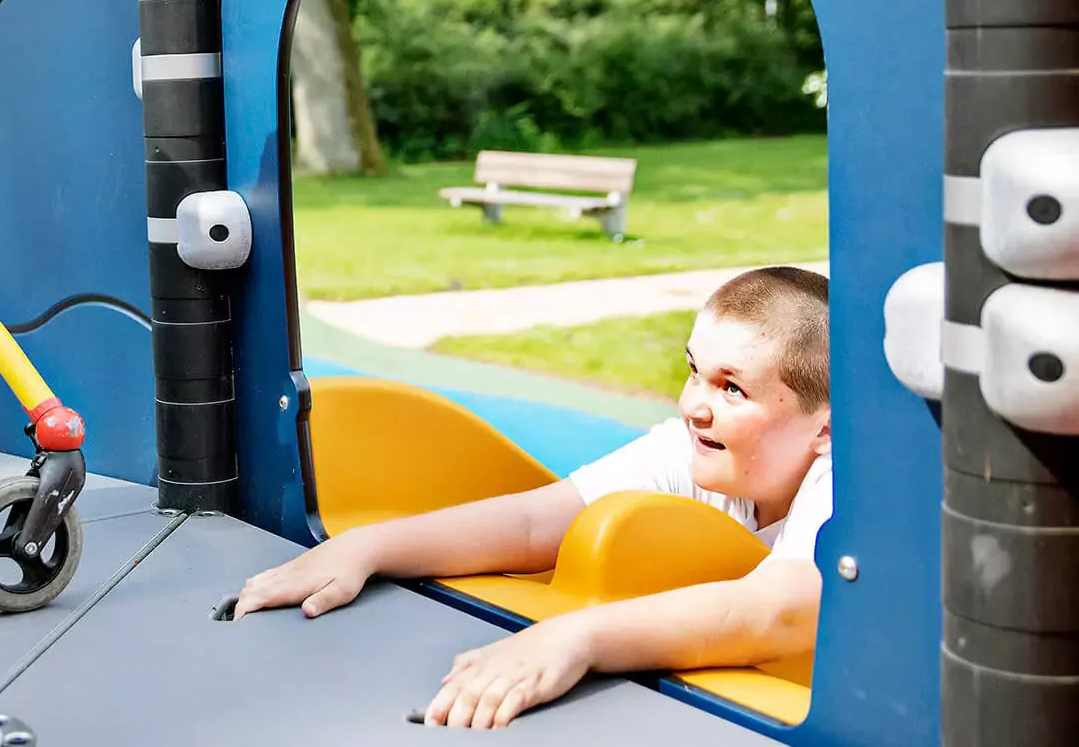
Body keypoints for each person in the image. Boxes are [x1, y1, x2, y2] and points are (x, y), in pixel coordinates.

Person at [236, 266, 833, 729]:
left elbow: (771, 612)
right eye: (693, 370)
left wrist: (576, 636)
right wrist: (364, 547)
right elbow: (532, 524)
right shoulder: (696, 447)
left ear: (827, 427)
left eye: (733, 388)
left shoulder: (843, 488)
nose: (692, 404)